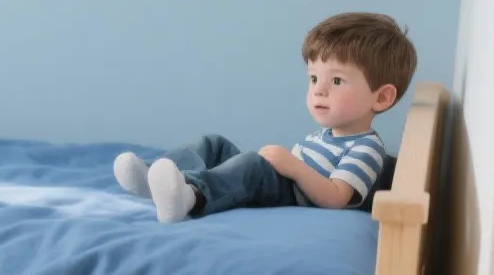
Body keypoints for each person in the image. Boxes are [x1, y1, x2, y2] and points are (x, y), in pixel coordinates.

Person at [116, 12, 417, 222]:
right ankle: (152, 176)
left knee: (253, 166)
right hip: (288, 181)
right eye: (314, 79)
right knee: (215, 144)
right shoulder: (327, 135)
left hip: (295, 195)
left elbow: (338, 197)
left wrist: (294, 168)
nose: (319, 91)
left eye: (336, 81)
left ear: (382, 97)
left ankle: (192, 196)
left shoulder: (366, 148)